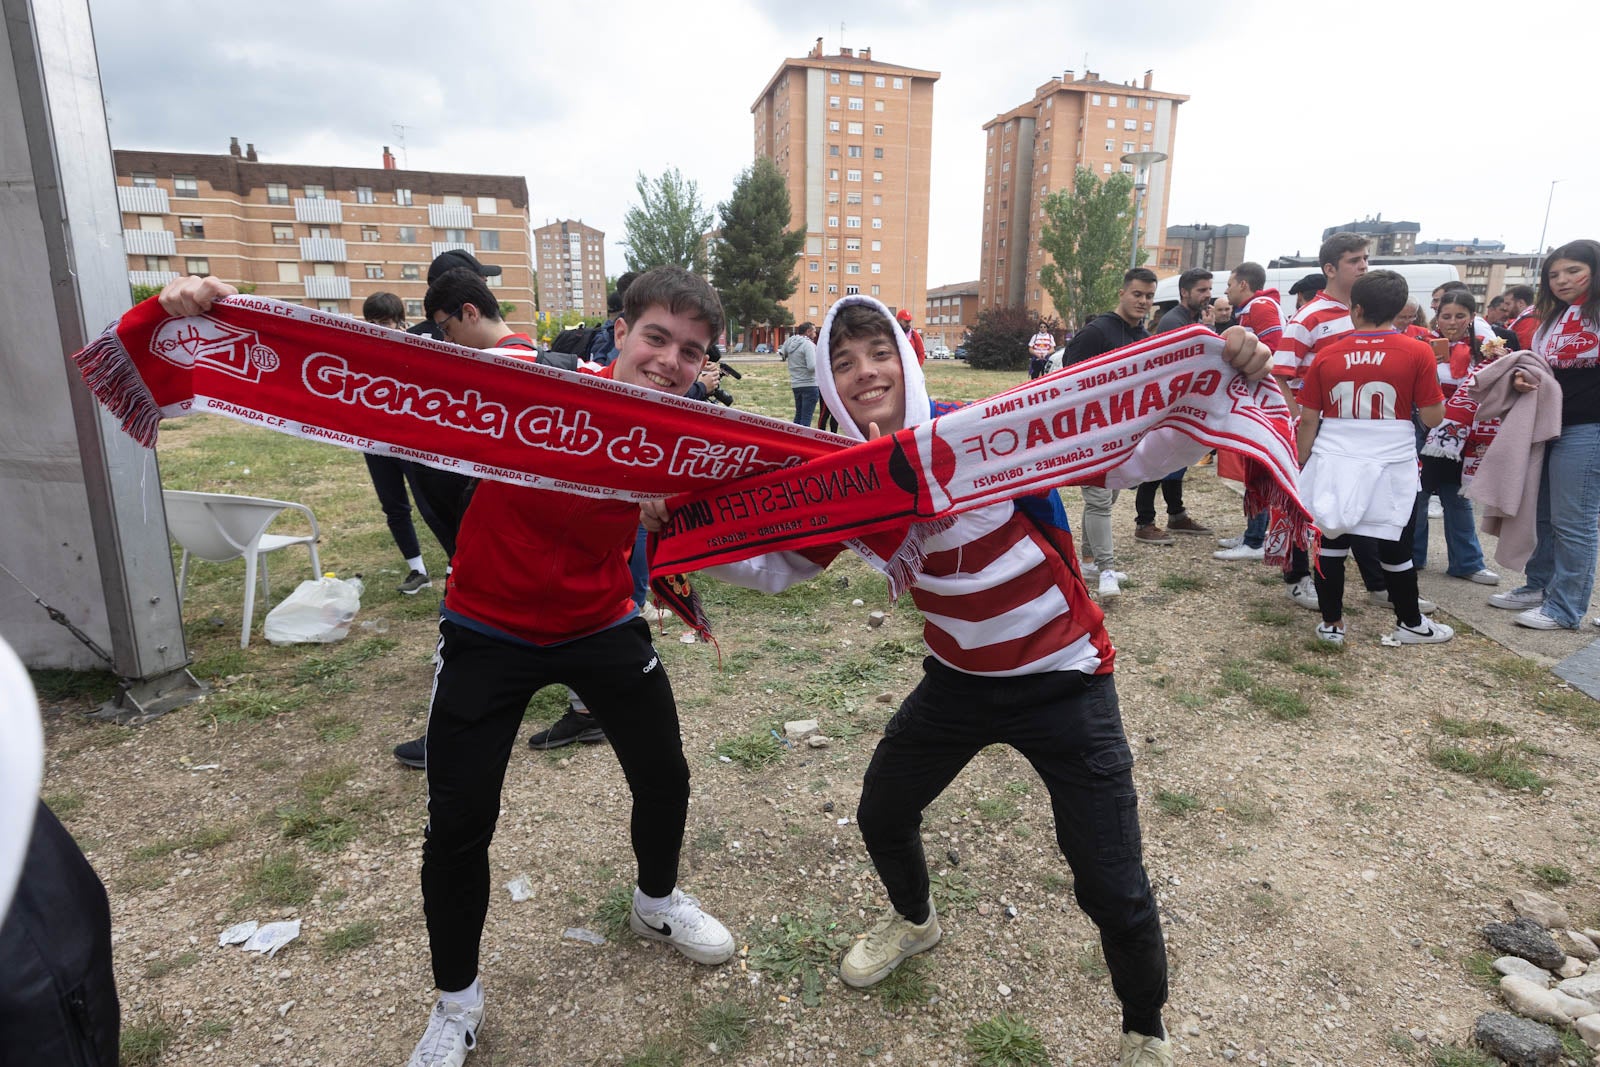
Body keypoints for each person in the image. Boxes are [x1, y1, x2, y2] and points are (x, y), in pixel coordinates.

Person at [644, 294, 1277, 1067]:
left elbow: (1132, 449)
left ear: (905, 356)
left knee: (1112, 882)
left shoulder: (988, 433)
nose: (861, 372)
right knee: (882, 810)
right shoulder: (847, 473)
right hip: (957, 681)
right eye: (842, 362)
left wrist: (1223, 367)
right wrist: (677, 533)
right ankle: (916, 921)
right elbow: (777, 565)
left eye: (876, 352)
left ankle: (1145, 1027)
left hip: (1065, 681)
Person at [162, 267, 739, 1067]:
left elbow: (767, 503)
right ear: (621, 333)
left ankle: (656, 901)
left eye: (692, 350)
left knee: (665, 774)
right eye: (657, 338)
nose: (671, 361)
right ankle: (457, 1002)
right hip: (488, 625)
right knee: (460, 821)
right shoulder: (528, 379)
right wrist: (218, 310)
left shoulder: (690, 434)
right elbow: (374, 366)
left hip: (600, 621)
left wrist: (674, 500)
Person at [1297, 271, 1454, 646]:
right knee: (1396, 544)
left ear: (1356, 309)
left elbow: (1308, 419)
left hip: (1334, 454)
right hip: (1391, 459)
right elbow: (1433, 416)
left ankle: (1332, 625)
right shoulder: (1418, 350)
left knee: (1331, 540)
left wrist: (1303, 462)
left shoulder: (1329, 353)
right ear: (1401, 310)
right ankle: (1410, 623)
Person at [1271, 233, 1420, 614]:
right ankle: (1298, 577)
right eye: (1355, 260)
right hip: (1318, 428)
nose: (1364, 266)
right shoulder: (1309, 317)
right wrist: (1299, 420)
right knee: (1315, 507)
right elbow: (1280, 375)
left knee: (1365, 506)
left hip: (1363, 432)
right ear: (1330, 269)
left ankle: (1378, 585)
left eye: (1366, 259)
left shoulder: (1372, 313)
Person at [1488, 239, 1600, 629]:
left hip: (1589, 429)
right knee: (1540, 514)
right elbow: (1546, 369)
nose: (1562, 280)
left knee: (1574, 521)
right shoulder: (1551, 318)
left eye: (1573, 271)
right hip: (1547, 424)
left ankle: (1566, 607)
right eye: (1554, 274)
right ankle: (1538, 586)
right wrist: (1522, 379)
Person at [1062, 267, 1159, 599]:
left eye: (1149, 296)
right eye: (1137, 294)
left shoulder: (1143, 338)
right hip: (1092, 432)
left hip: (1125, 433)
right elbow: (1067, 380)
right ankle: (1105, 569)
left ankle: (1089, 560)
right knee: (1099, 499)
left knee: (1110, 494)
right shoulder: (1095, 332)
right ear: (1122, 293)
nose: (1143, 301)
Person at [355, 292, 445, 594]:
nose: (378, 328)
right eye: (371, 322)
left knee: (430, 502)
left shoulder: (417, 347)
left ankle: (455, 560)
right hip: (374, 440)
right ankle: (416, 569)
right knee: (393, 505)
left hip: (410, 439)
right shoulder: (360, 348)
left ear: (399, 321)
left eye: (384, 322)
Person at [1134, 268, 1217, 544]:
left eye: (1209, 289)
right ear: (1185, 292)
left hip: (1183, 404)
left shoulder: (1193, 319)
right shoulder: (1175, 321)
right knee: (1158, 462)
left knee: (1176, 461)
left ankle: (1176, 514)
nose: (1208, 295)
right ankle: (1144, 521)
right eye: (1202, 290)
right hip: (1169, 406)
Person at [1214, 263, 1286, 562]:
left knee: (1257, 471)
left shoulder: (1260, 306)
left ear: (1243, 284)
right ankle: (1252, 534)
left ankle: (1256, 541)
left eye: (1230, 284)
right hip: (1255, 399)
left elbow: (1274, 349)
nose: (1227, 291)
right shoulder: (1255, 307)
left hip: (1262, 402)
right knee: (1252, 471)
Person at [779, 322, 820, 425]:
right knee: (806, 418)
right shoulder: (808, 345)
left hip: (796, 384)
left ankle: (793, 439)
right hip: (810, 384)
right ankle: (803, 440)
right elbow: (811, 367)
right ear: (808, 331)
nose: (815, 335)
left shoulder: (790, 342)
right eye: (814, 332)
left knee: (798, 416)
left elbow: (782, 355)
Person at [1504, 284, 1539, 351]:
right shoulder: (1532, 317)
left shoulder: (1530, 321)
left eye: (1508, 304)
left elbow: (1520, 351)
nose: (1505, 308)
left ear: (1521, 303)